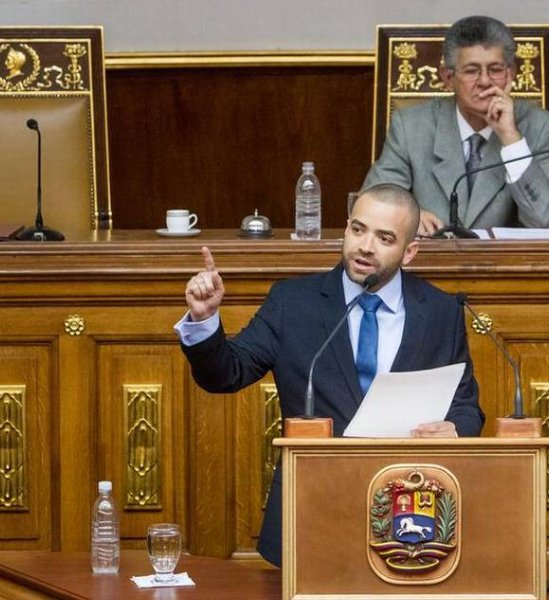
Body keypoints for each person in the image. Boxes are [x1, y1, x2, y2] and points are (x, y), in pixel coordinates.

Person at [175, 183, 484, 567]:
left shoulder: (440, 311)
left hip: (410, 515)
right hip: (312, 508)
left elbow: (467, 407)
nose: (365, 246)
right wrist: (204, 321)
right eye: (358, 229)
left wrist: (455, 429)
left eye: (384, 237)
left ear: (410, 252)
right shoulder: (293, 303)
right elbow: (226, 374)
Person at [363, 15, 549, 235]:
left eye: (495, 69)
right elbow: (372, 205)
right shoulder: (410, 126)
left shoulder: (541, 127)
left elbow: (546, 220)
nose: (485, 81)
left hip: (504, 265)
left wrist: (510, 137)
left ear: (511, 74)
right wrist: (408, 217)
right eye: (471, 71)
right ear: (448, 77)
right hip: (428, 261)